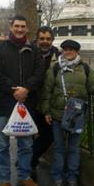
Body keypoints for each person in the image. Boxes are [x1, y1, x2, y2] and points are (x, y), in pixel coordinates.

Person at [41, 39, 94, 186]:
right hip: (57, 116)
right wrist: (46, 111)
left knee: (74, 148)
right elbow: (46, 92)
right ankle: (57, 178)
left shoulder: (85, 68)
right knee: (59, 149)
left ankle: (72, 178)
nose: (68, 52)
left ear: (77, 52)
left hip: (76, 117)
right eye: (65, 49)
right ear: (62, 51)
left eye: (71, 50)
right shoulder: (54, 69)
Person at [0, 15, 44, 186]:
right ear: (11, 27)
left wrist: (26, 89)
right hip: (4, 102)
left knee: (26, 144)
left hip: (26, 103)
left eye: (23, 26)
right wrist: (15, 90)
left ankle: (24, 176)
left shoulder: (34, 50)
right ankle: (4, 180)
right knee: (2, 144)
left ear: (27, 29)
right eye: (17, 26)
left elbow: (39, 72)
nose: (20, 29)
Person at [31, 26, 60, 169]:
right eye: (42, 38)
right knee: (27, 136)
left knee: (48, 136)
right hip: (30, 102)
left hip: (48, 104)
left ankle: (30, 160)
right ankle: (27, 167)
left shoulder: (60, 57)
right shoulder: (28, 53)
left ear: (52, 40)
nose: (45, 42)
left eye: (48, 39)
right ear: (37, 39)